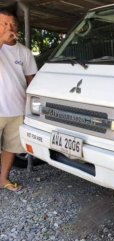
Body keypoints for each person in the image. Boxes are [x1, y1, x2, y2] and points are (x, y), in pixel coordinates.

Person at [0, 6, 37, 191]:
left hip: (17, 109)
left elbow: (32, 82)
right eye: (3, 24)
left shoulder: (25, 52)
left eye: (12, 24)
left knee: (10, 147)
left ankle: (3, 179)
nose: (8, 28)